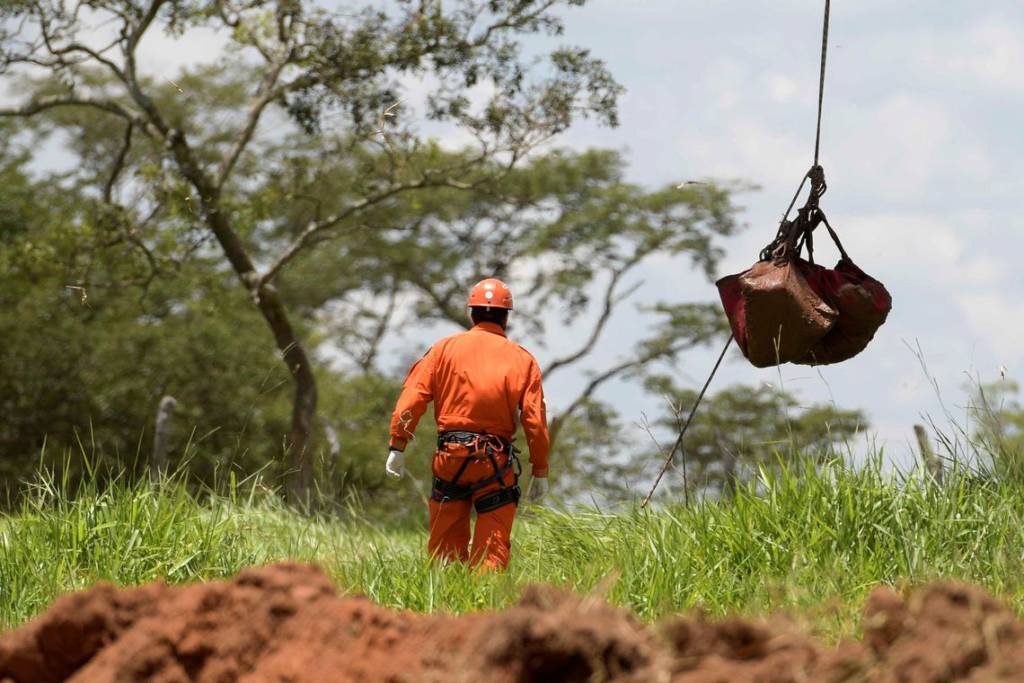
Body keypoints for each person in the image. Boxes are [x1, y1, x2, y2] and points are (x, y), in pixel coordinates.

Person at [385, 277, 550, 570]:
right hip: (494, 463)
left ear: (472, 313)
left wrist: (398, 445)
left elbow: (412, 399)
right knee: (492, 552)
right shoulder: (523, 360)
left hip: (450, 457)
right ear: (506, 316)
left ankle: (443, 606)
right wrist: (540, 470)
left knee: (444, 555)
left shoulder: (442, 349)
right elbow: (534, 421)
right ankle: (484, 608)